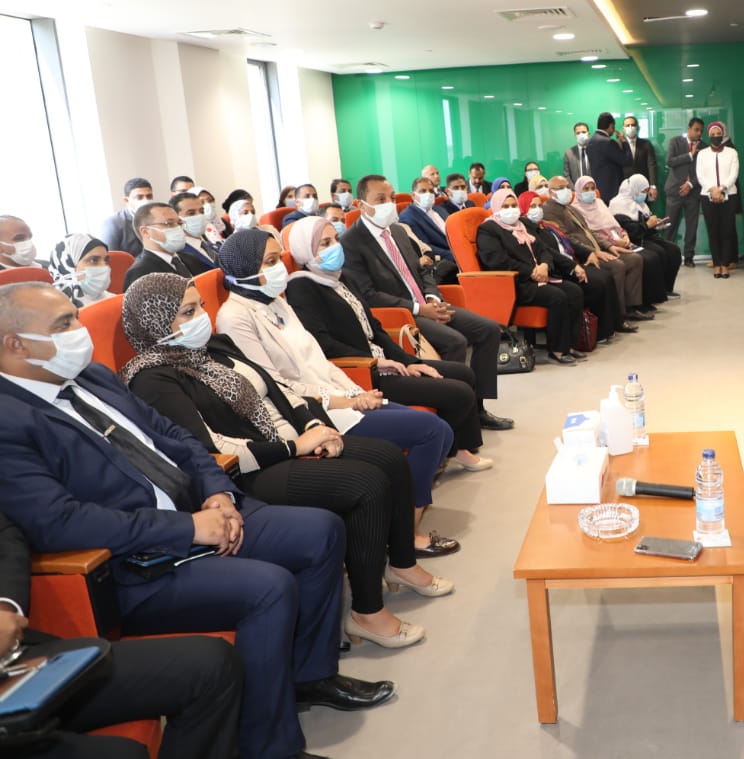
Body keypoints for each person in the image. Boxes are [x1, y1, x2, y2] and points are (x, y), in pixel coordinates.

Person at [0, 282, 394, 759]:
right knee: (269, 588)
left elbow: (177, 438)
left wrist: (217, 493)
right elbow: (60, 523)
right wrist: (188, 529)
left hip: (200, 511)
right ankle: (270, 746)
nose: (78, 332)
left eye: (76, 318)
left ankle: (308, 677)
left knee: (320, 532)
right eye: (64, 324)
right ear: (16, 344)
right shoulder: (9, 419)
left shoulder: (93, 377)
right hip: (135, 562)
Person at [121, 273, 452, 651]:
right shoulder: (153, 379)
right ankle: (367, 612)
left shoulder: (214, 346)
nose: (202, 317)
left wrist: (314, 425)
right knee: (366, 483)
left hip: (291, 441)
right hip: (249, 471)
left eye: (201, 306)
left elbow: (280, 391)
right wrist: (296, 446)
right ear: (156, 322)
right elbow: (212, 448)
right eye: (188, 312)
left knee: (389, 457)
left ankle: (401, 564)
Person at [0, 512, 244, 759]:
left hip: (21, 658)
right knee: (126, 753)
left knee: (213, 665)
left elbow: (6, 535)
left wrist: (5, 606)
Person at [285, 215, 488, 481]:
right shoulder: (301, 286)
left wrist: (410, 362)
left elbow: (376, 329)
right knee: (458, 392)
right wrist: (378, 362)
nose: (335, 247)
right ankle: (448, 454)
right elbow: (324, 343)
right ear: (305, 251)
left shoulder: (342, 278)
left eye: (335, 239)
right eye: (325, 243)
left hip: (384, 361)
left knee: (464, 374)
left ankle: (457, 448)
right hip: (363, 372)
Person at [338, 175, 513, 431]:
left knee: (488, 330)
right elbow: (368, 294)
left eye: (392, 198)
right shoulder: (351, 242)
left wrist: (432, 297)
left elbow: (424, 269)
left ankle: (478, 408)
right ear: (360, 204)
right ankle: (455, 420)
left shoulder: (398, 230)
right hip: (402, 314)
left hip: (428, 303)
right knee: (455, 341)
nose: (389, 204)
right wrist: (421, 309)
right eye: (380, 199)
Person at [477, 188, 585, 364]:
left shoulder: (523, 225)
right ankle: (557, 349)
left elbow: (543, 249)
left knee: (574, 291)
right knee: (557, 296)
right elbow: (498, 261)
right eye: (505, 206)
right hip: (516, 283)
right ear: (496, 207)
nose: (511, 210)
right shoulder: (488, 230)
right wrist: (531, 272)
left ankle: (570, 345)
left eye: (513, 205)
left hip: (539, 276)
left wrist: (544, 266)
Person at [519, 190, 627, 342]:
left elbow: (568, 241)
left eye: (539, 205)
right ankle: (596, 333)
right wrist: (572, 266)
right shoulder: (527, 230)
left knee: (605, 276)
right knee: (597, 283)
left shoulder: (546, 225)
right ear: (523, 209)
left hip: (570, 260)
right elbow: (548, 251)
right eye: (532, 206)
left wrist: (588, 252)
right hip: (559, 268)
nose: (538, 209)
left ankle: (612, 326)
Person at [542, 175, 645, 326]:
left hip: (595, 247)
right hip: (582, 254)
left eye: (567, 187)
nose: (567, 191)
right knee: (617, 266)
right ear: (551, 192)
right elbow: (566, 239)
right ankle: (618, 315)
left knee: (634, 259)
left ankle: (631, 307)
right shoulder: (549, 210)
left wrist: (609, 246)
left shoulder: (569, 208)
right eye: (561, 188)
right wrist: (592, 251)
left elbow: (589, 231)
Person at [572, 176, 666, 310]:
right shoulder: (575, 209)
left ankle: (634, 305)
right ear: (578, 191)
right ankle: (620, 310)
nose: (590, 192)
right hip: (601, 246)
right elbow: (590, 234)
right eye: (586, 189)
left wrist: (624, 235)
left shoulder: (599, 203)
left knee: (638, 259)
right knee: (625, 263)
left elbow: (614, 224)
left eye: (592, 188)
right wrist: (613, 242)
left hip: (617, 239)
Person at [610, 174, 682, 298]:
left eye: (646, 191)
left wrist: (656, 225)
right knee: (658, 253)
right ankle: (655, 294)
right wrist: (647, 225)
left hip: (645, 236)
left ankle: (666, 288)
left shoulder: (640, 204)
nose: (645, 194)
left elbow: (646, 224)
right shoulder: (618, 204)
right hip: (632, 239)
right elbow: (628, 230)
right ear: (634, 189)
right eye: (643, 191)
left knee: (673, 250)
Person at [122, 202, 210, 290]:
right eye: (169, 223)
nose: (178, 228)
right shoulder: (140, 272)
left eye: (179, 223)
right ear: (146, 232)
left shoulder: (190, 258)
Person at [696, 121, 740, 279]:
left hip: (729, 194)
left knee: (727, 230)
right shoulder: (702, 154)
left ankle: (725, 264)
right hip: (708, 195)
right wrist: (713, 190)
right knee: (713, 231)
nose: (716, 136)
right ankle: (716, 264)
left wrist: (721, 189)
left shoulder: (732, 152)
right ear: (708, 136)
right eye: (713, 134)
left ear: (723, 135)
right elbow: (700, 175)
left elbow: (734, 174)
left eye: (718, 134)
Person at [664, 117, 707, 267]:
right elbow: (670, 161)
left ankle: (689, 257)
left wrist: (690, 184)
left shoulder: (704, 147)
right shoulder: (675, 142)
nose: (699, 133)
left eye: (701, 131)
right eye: (696, 130)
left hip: (693, 192)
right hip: (674, 190)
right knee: (670, 226)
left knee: (692, 226)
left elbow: (704, 171)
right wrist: (690, 155)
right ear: (689, 128)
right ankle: (668, 256)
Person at [47, 234, 114, 307]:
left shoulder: (114, 300)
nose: (103, 266)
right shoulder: (50, 307)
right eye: (93, 260)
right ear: (69, 265)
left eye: (106, 261)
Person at [400, 176, 455, 261]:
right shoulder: (408, 217)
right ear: (413, 195)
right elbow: (425, 246)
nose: (428, 194)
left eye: (431, 191)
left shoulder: (440, 209)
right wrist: (456, 255)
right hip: (445, 259)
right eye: (423, 191)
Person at [100, 178, 153, 257]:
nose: (146, 200)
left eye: (149, 196)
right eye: (139, 197)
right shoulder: (113, 223)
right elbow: (111, 257)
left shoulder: (158, 218)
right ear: (126, 200)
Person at [169, 192, 219, 270]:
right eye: (191, 213)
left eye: (202, 212)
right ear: (177, 219)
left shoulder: (212, 242)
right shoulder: (178, 253)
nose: (199, 216)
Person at [585, 113, 628, 204]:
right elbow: (626, 160)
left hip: (598, 190)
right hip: (612, 191)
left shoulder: (590, 141)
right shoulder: (609, 142)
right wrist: (624, 141)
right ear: (611, 125)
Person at [620, 116, 659, 197]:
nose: (630, 127)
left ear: (637, 127)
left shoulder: (646, 144)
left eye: (633, 125)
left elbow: (651, 165)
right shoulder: (618, 145)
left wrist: (653, 186)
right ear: (623, 128)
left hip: (644, 187)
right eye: (627, 125)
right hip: (625, 188)